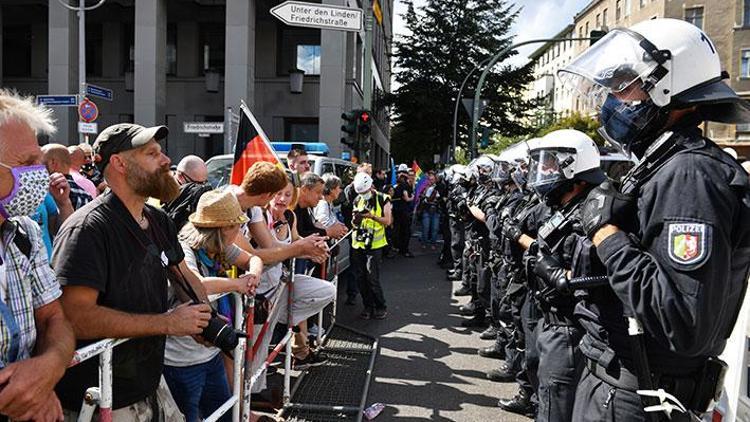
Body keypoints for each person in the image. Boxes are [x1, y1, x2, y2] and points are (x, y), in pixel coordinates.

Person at [559, 18, 750, 421]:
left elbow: (682, 319)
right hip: (615, 384)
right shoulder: (659, 165)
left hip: (641, 395)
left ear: (667, 87)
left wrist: (607, 235)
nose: (614, 99)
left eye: (625, 85)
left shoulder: (691, 174)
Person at [52, 123, 214, 419]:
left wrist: (206, 319)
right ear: (119, 163)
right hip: (102, 398)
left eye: (161, 152)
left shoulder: (158, 219)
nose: (166, 160)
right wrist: (167, 323)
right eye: (152, 154)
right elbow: (73, 318)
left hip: (149, 384)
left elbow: (183, 275)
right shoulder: (87, 229)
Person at [0, 90, 75, 422]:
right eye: (27, 163)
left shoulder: (26, 233)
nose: (38, 175)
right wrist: (21, 395)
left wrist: (48, 369)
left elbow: (54, 319)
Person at [525, 130, 606, 422]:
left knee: (555, 404)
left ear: (574, 168)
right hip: (551, 320)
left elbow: (601, 273)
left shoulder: (593, 211)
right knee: (542, 385)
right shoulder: (566, 208)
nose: (543, 171)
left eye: (550, 164)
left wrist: (561, 274)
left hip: (569, 328)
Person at [163, 190, 262, 422]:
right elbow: (197, 284)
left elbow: (253, 258)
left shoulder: (219, 246)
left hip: (210, 353)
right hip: (181, 359)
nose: (240, 231)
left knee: (223, 414)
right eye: (236, 226)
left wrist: (253, 276)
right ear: (223, 228)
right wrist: (237, 283)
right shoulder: (184, 249)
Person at [249, 177, 335, 381]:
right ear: (269, 194)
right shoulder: (259, 216)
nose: (282, 199)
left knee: (327, 291)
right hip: (258, 293)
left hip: (279, 286)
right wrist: (301, 249)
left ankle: (288, 319)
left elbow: (295, 243)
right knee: (256, 352)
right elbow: (269, 251)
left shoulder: (290, 216)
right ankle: (250, 400)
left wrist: (313, 246)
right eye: (278, 193)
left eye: (288, 194)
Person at [351, 172, 392, 320]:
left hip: (375, 245)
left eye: (364, 192)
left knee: (372, 278)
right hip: (359, 244)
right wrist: (356, 218)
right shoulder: (357, 200)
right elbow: (353, 223)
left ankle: (380, 306)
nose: (363, 195)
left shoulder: (383, 199)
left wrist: (371, 216)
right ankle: (367, 306)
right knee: (361, 278)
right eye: (360, 193)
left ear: (370, 186)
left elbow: (387, 221)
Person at [163, 155, 212, 230]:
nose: (201, 187)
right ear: (180, 176)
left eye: (204, 182)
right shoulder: (158, 191)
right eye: (196, 183)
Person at [41, 144, 93, 211]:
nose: (36, 167)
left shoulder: (46, 191)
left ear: (52, 163)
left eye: (41, 162)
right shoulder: (87, 196)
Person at [392, 171, 414, 257]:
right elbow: (407, 198)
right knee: (405, 231)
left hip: (398, 211)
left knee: (399, 230)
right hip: (404, 212)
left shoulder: (397, 186)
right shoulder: (405, 186)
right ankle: (404, 250)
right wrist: (412, 197)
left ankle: (399, 247)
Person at [418, 171, 440, 249]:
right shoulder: (425, 187)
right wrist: (425, 194)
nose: (431, 181)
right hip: (426, 209)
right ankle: (424, 242)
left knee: (435, 228)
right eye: (430, 179)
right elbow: (420, 196)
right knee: (426, 228)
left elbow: (441, 198)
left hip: (436, 210)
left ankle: (433, 243)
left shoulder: (438, 187)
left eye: (433, 179)